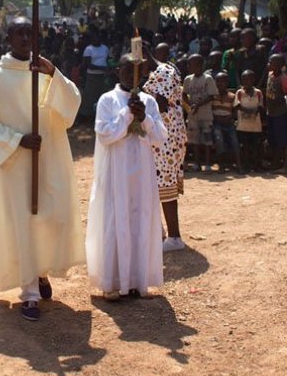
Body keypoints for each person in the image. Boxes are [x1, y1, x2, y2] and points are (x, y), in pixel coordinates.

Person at [0, 18, 83, 322]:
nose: (25, 38)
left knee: (50, 216)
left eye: (30, 33)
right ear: (8, 37)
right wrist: (17, 140)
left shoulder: (46, 71)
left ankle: (41, 271)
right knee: (23, 223)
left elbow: (71, 104)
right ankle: (30, 293)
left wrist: (53, 72)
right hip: (16, 164)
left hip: (48, 156)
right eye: (19, 33)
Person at [86, 54, 167, 301]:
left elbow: (160, 137)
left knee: (139, 220)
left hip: (141, 171)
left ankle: (136, 281)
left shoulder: (149, 101)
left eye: (136, 70)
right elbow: (105, 133)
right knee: (115, 219)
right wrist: (126, 114)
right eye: (126, 69)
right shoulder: (108, 100)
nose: (131, 74)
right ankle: (112, 281)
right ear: (117, 71)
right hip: (116, 170)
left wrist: (144, 118)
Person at [142, 44, 188, 252]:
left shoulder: (164, 72)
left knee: (165, 184)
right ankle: (159, 232)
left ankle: (175, 236)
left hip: (167, 139)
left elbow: (160, 104)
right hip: (161, 137)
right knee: (156, 184)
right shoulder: (156, 73)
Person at [265, 53, 287, 172]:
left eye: (271, 62)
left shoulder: (283, 78)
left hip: (281, 113)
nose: (269, 64)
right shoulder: (270, 75)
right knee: (274, 140)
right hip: (271, 112)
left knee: (285, 140)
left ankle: (286, 165)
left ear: (279, 65)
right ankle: (276, 163)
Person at [182, 54, 217, 173]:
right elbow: (184, 94)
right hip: (193, 115)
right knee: (194, 141)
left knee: (207, 140)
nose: (188, 67)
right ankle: (197, 164)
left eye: (190, 64)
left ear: (199, 65)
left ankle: (207, 163)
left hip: (205, 114)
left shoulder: (208, 79)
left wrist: (198, 105)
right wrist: (189, 106)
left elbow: (211, 95)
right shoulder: (188, 79)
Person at [234, 69, 265, 172]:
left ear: (253, 80)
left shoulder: (258, 92)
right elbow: (237, 106)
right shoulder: (239, 92)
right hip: (243, 126)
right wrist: (250, 111)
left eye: (249, 79)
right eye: (244, 79)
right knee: (245, 146)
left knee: (256, 146)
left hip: (256, 125)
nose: (247, 81)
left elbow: (260, 106)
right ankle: (246, 165)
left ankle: (256, 165)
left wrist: (255, 111)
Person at [211, 71, 241, 173]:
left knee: (235, 141)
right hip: (217, 123)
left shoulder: (232, 96)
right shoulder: (212, 96)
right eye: (218, 81)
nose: (220, 84)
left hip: (229, 123)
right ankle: (221, 165)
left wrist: (230, 118)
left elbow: (235, 111)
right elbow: (210, 110)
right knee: (219, 140)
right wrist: (216, 118)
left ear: (227, 83)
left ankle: (239, 165)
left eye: (223, 81)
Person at [79, 31, 110, 120]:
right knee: (90, 96)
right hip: (92, 76)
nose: (96, 39)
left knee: (100, 95)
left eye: (98, 37)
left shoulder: (105, 48)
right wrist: (101, 68)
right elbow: (87, 64)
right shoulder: (88, 49)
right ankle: (86, 115)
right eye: (94, 38)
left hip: (103, 76)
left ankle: (99, 114)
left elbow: (108, 59)